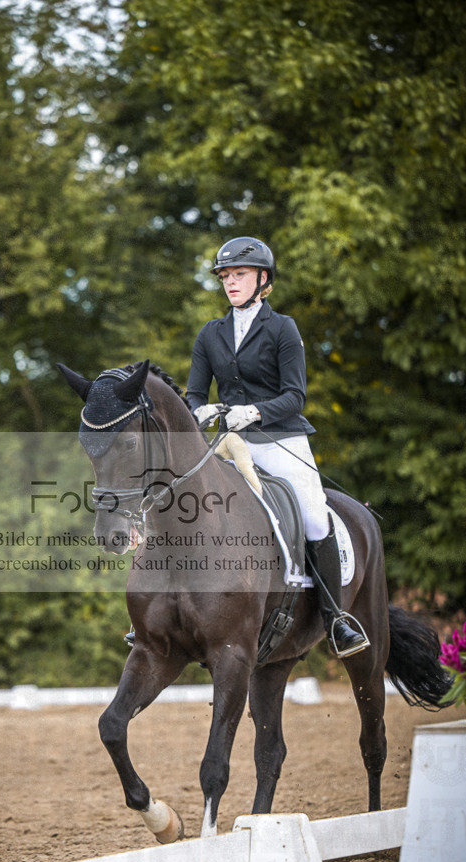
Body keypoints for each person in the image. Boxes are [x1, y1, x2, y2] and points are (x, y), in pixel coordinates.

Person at [186, 236, 369, 659]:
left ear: (262, 279)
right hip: (229, 446)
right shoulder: (210, 334)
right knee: (185, 504)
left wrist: (253, 412)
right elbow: (194, 393)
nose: (231, 283)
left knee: (313, 515)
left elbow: (294, 396)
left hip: (280, 440)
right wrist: (203, 410)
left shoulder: (282, 327)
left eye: (240, 275)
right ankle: (157, 609)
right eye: (226, 276)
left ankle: (335, 618)